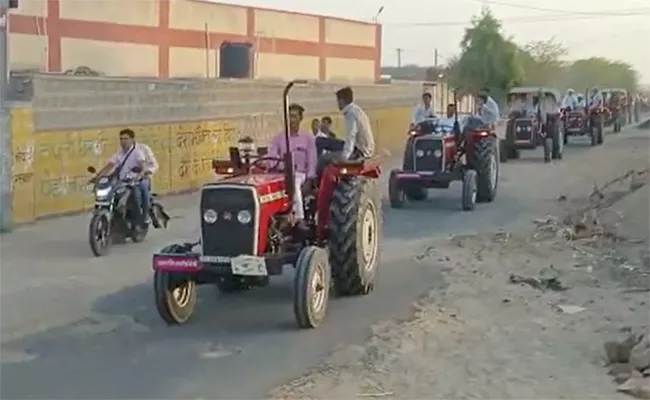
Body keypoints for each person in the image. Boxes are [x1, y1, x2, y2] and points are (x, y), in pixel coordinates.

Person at [268, 103, 317, 230]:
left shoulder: (308, 138)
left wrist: (310, 179)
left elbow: (312, 159)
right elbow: (272, 156)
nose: (292, 120)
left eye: (294, 116)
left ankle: (299, 219)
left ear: (300, 119)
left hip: (300, 174)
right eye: (289, 116)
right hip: (281, 174)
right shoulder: (279, 138)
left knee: (293, 183)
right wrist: (276, 164)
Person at [92, 128, 150, 229]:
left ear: (132, 140)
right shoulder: (119, 154)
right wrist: (98, 176)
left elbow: (143, 166)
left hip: (137, 181)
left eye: (126, 139)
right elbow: (109, 166)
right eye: (121, 139)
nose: (123, 141)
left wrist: (140, 175)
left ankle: (143, 218)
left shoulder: (137, 153)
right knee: (114, 195)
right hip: (123, 182)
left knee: (137, 195)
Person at [336, 86, 375, 160]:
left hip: (360, 151)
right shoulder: (356, 110)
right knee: (322, 140)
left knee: (323, 158)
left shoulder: (351, 114)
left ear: (341, 101)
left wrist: (345, 157)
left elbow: (351, 136)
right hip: (365, 148)